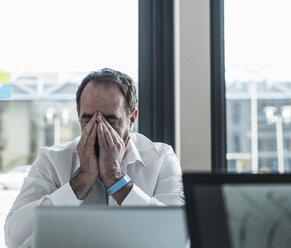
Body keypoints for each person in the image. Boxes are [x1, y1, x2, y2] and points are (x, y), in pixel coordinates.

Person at [5, 68, 184, 248]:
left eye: (111, 120)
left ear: (131, 119)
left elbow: (178, 236)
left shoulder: (161, 158)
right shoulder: (51, 160)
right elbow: (14, 239)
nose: (98, 128)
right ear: (78, 114)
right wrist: (82, 180)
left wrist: (115, 179)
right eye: (88, 118)